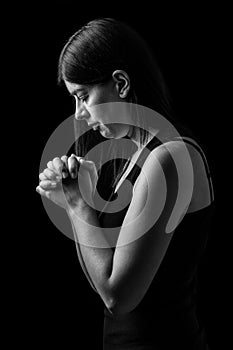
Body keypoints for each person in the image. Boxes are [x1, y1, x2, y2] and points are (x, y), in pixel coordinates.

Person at [36, 18, 214, 349]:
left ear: (120, 83)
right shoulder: (135, 153)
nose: (78, 114)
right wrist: (79, 194)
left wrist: (77, 204)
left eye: (84, 95)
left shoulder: (170, 158)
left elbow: (117, 297)